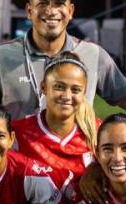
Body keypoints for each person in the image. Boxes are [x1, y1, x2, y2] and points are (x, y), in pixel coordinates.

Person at [11, 52, 99, 180]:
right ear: (44, 87)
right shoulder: (18, 132)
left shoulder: (99, 132)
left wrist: (99, 169)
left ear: (84, 92)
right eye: (59, 87)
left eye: (75, 90)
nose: (66, 96)